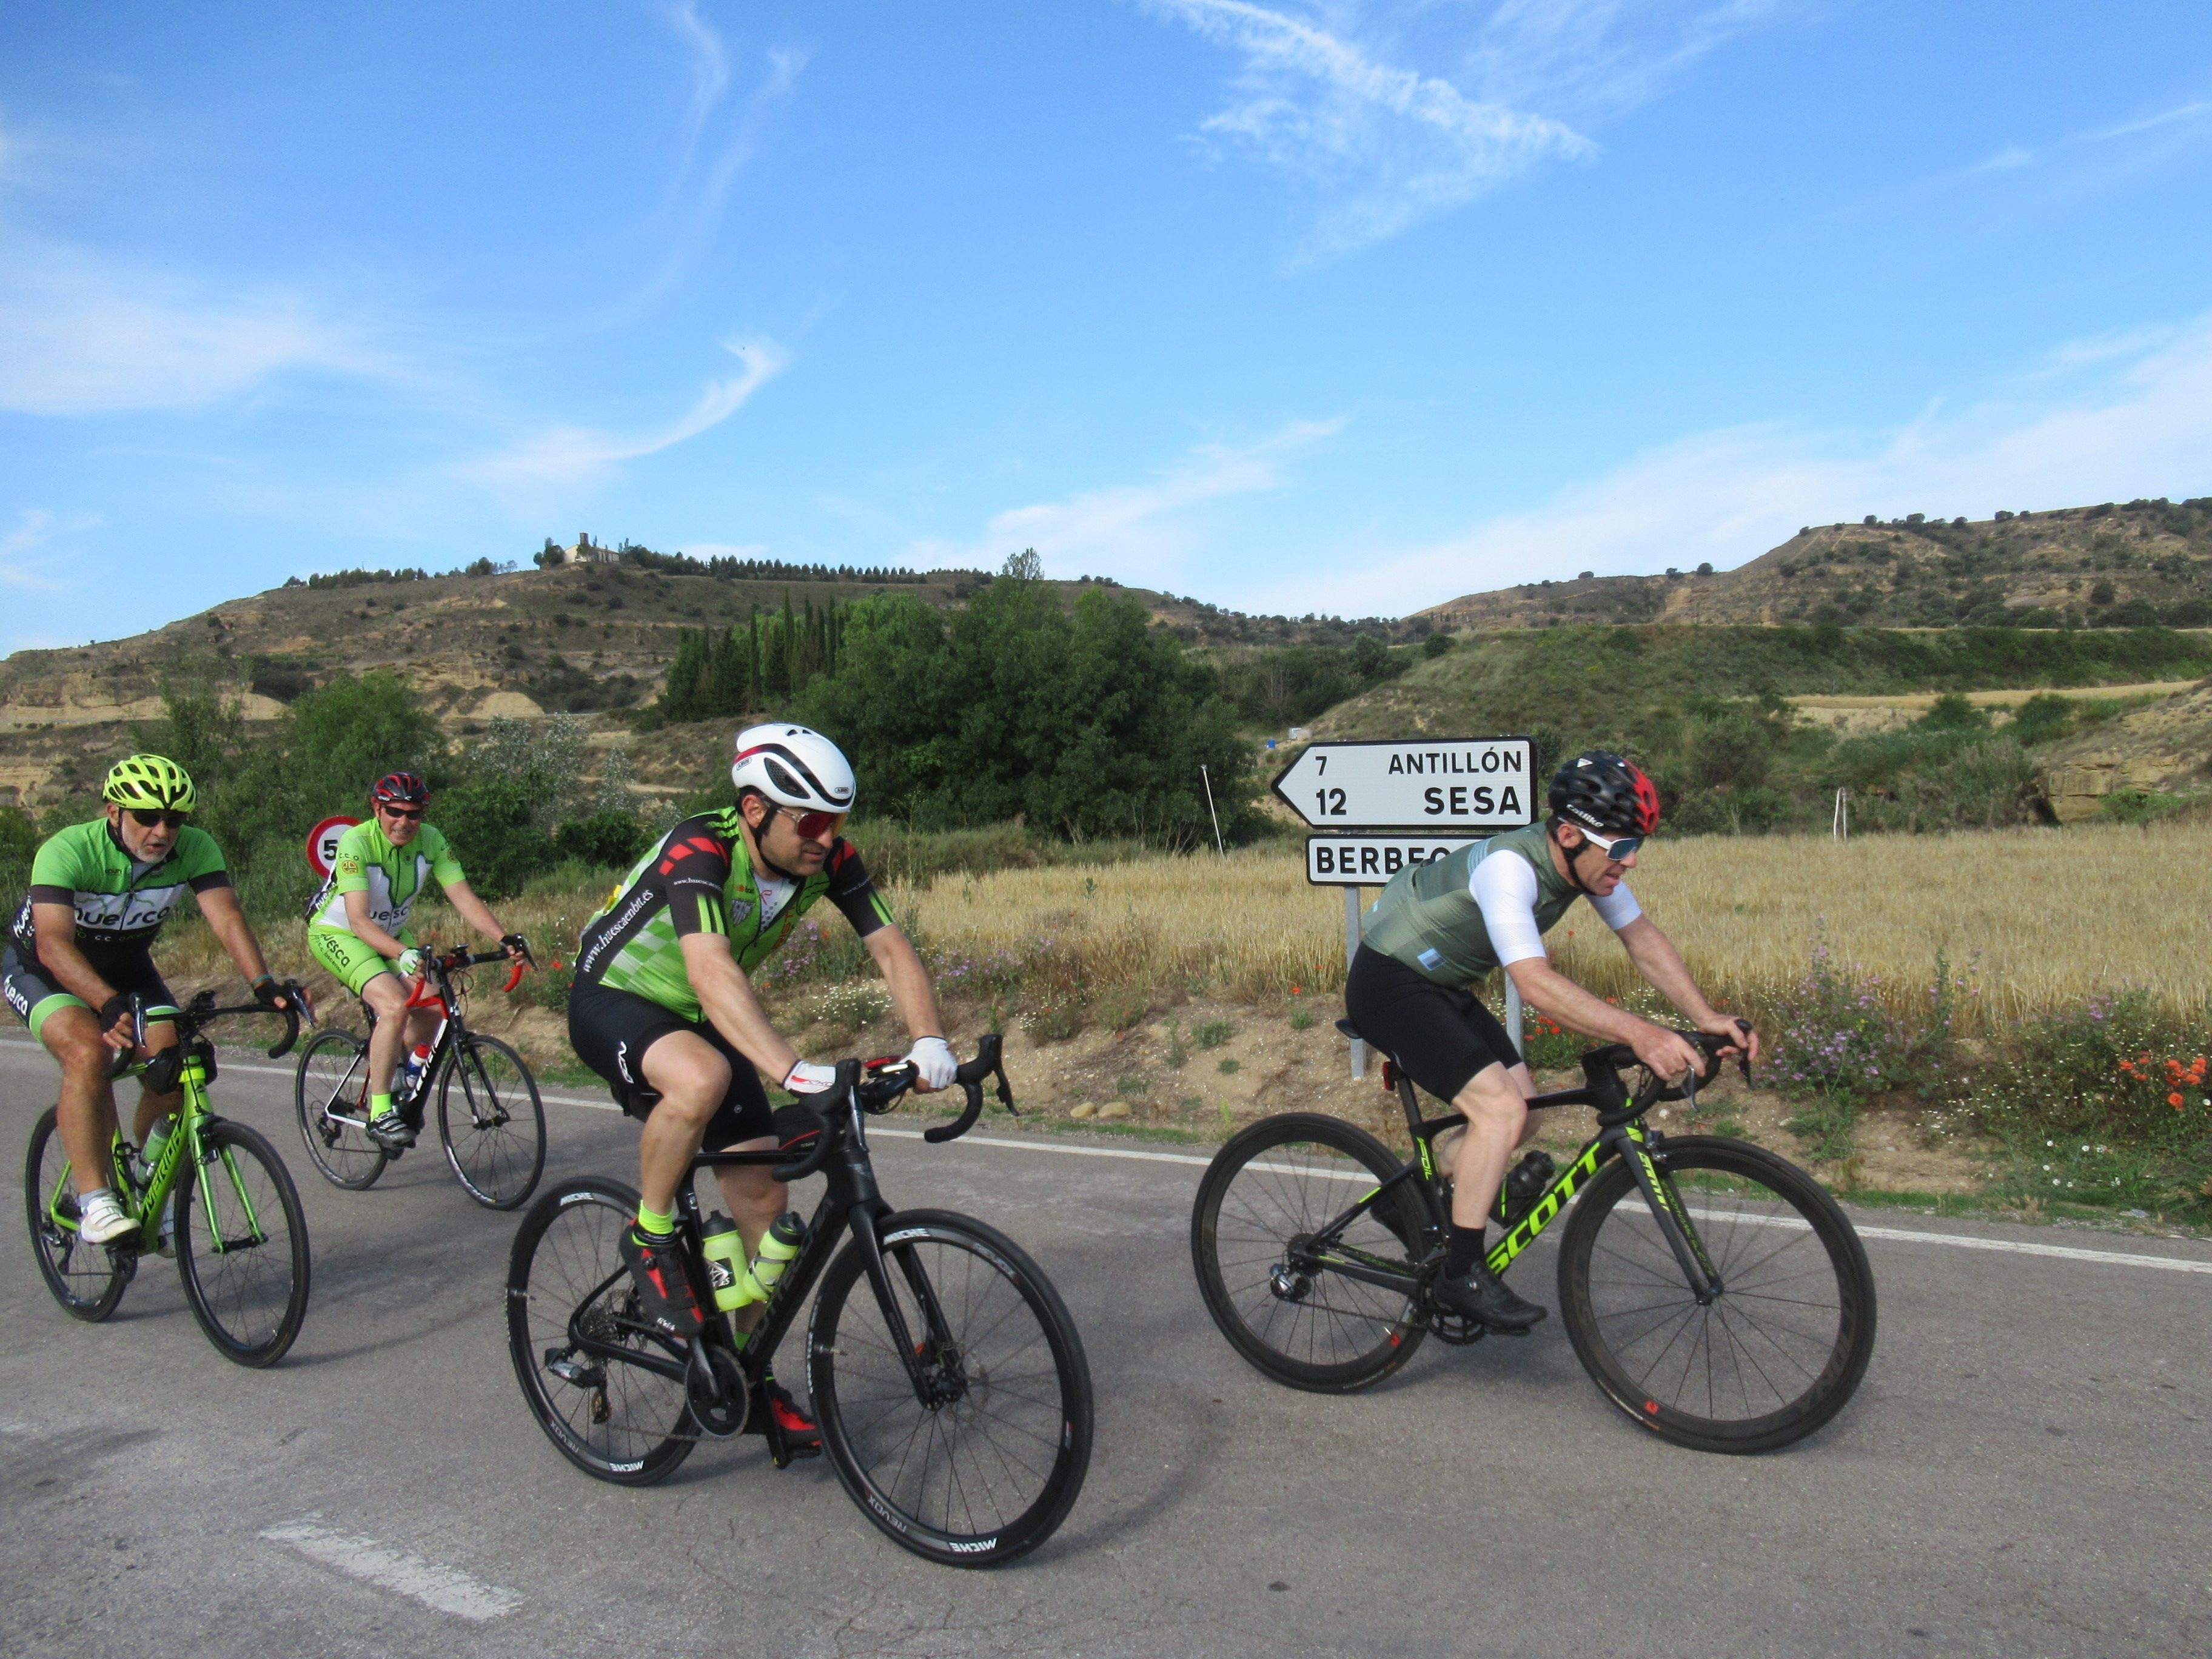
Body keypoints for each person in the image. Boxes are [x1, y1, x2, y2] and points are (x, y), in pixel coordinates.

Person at [568, 723, 959, 1443]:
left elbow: (891, 948)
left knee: (764, 1203)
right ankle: (650, 1233)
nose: (827, 838)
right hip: (616, 997)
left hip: (701, 1012)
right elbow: (710, 968)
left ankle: (745, 1376)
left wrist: (929, 1039)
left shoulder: (829, 859)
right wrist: (791, 1070)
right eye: (810, 822)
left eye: (838, 821)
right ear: (755, 810)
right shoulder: (700, 847)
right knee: (702, 1077)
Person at [1350, 750, 1757, 1332]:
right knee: (1499, 1110)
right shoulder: (1510, 869)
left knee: (1527, 1114)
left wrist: (1706, 1016)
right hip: (1390, 981)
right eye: (1621, 846)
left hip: (1443, 985)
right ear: (1568, 835)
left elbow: (1641, 939)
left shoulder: (1589, 864)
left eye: (1638, 844)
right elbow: (1535, 984)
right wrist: (1643, 1034)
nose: (1631, 860)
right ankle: (1461, 1275)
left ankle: (1407, 1201)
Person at [2, 755, 306, 1245]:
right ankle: (95, 1201)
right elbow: (52, 944)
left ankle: (148, 1176)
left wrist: (263, 984)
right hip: (44, 968)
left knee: (175, 1065)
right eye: (146, 817)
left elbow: (226, 917)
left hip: (127, 967)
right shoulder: (68, 850)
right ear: (113, 812)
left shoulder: (195, 848)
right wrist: (106, 1003)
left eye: (174, 819)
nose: (162, 831)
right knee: (89, 1053)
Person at [304, 772, 529, 1151]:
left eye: (414, 814)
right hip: (340, 934)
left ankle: (395, 1065)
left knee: (434, 1005)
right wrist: (402, 953)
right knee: (394, 1006)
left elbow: (463, 896)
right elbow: (358, 920)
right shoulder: (356, 842)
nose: (404, 822)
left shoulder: (432, 840)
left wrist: (503, 938)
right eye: (395, 812)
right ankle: (380, 1113)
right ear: (377, 808)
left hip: (391, 934)